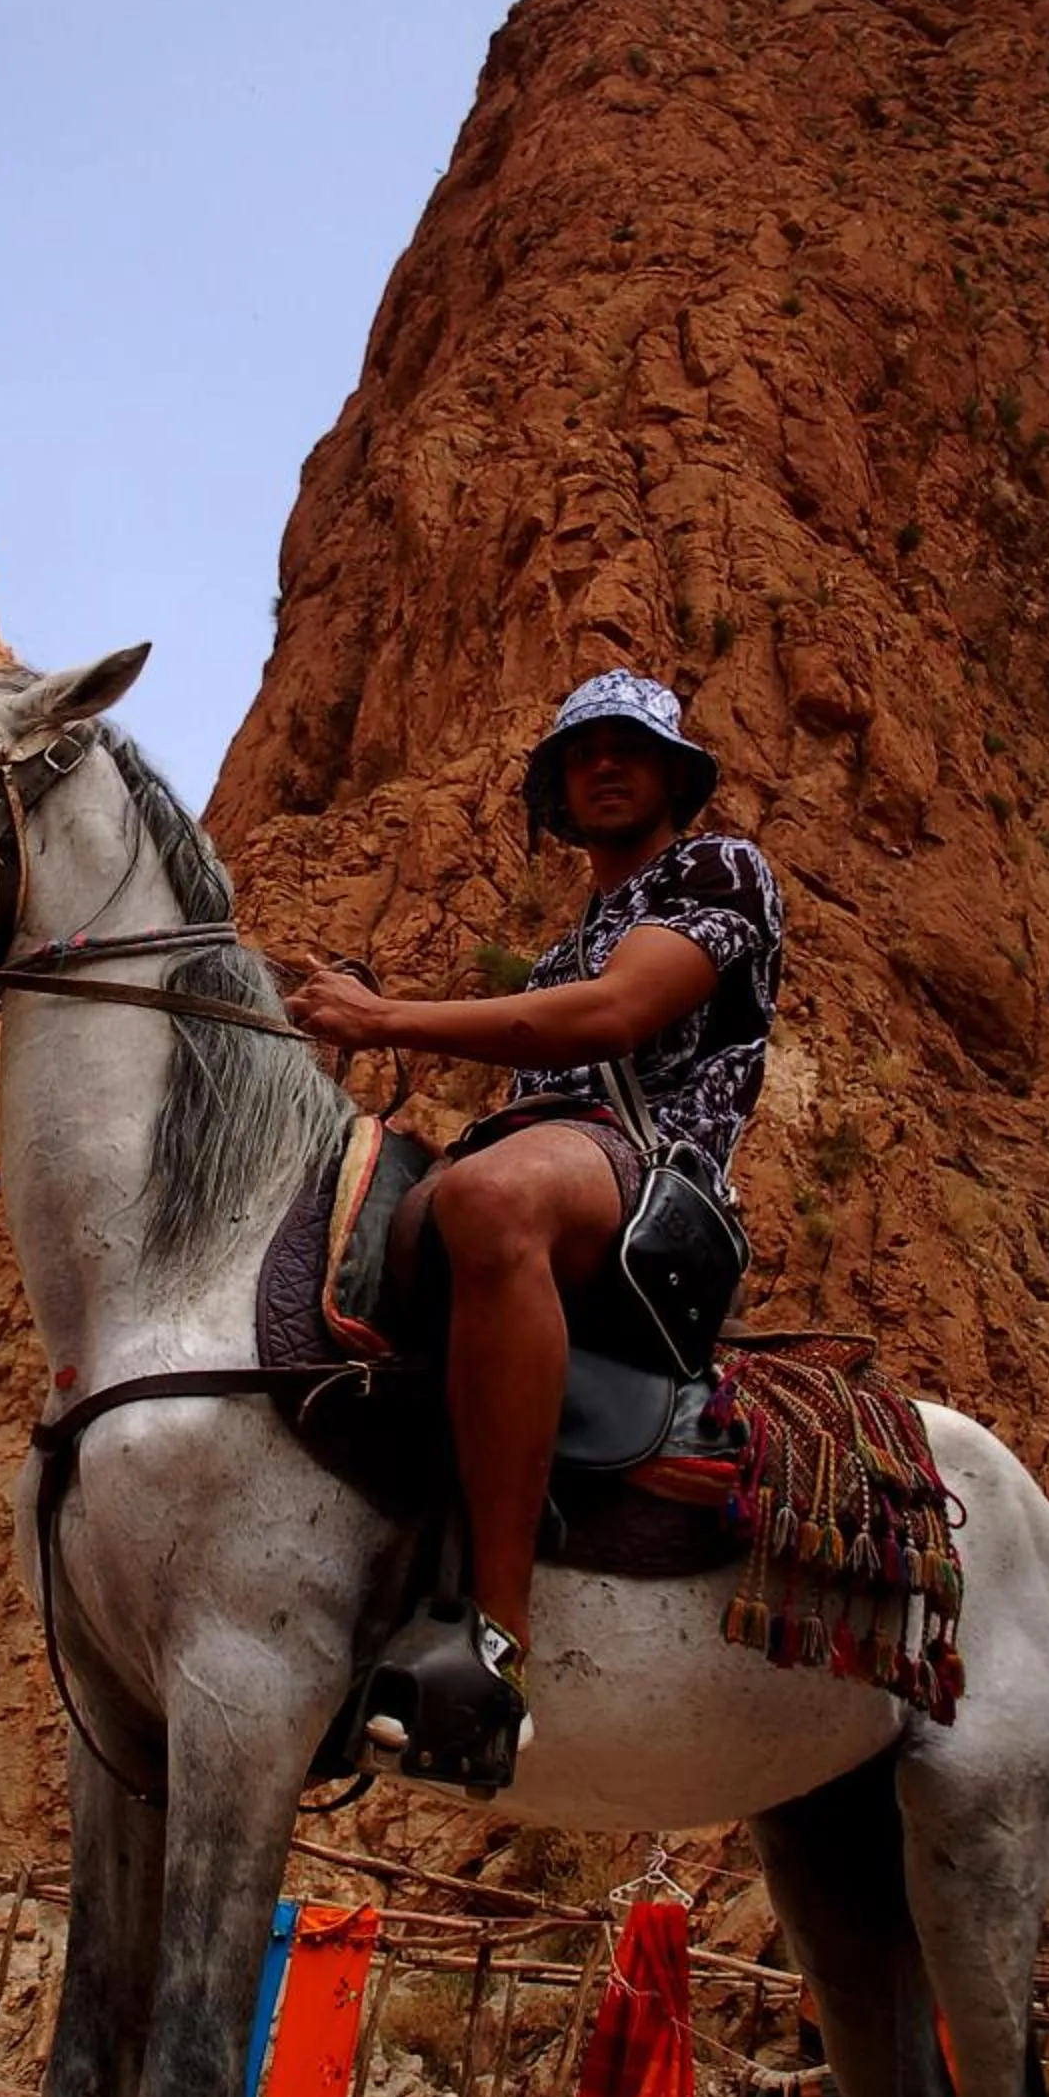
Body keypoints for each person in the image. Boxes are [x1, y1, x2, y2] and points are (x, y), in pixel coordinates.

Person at [285, 669, 783, 1782]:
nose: (602, 763)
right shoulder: (577, 931)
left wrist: (384, 1019)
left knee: (490, 1197)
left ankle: (490, 1640)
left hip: (659, 1188)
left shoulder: (715, 869)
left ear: (671, 773)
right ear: (557, 784)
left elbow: (608, 1017)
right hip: (564, 1164)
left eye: (628, 747)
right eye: (580, 750)